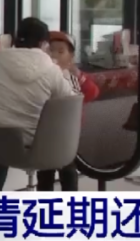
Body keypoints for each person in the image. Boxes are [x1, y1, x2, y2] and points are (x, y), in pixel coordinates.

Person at [0, 17, 76, 191]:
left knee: (3, 145)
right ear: (43, 43)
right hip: (33, 146)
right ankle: (70, 206)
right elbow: (70, 101)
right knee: (66, 161)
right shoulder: (52, 70)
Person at [41, 30, 99, 191]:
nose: (54, 55)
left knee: (68, 171)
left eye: (61, 52)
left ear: (71, 57)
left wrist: (78, 74)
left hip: (68, 134)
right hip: (45, 133)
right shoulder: (40, 76)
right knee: (45, 173)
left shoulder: (74, 77)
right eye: (50, 50)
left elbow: (92, 92)